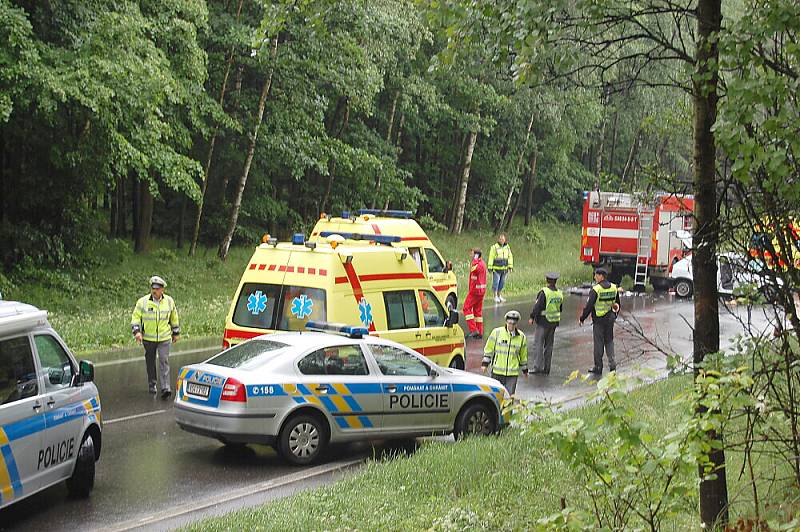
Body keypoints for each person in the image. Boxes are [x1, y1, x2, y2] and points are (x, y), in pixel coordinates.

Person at [131, 275, 180, 398]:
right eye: (153, 288)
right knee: (150, 362)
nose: (154, 291)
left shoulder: (169, 301)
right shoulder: (142, 302)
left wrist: (176, 333)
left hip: (164, 338)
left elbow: (174, 317)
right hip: (148, 338)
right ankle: (152, 384)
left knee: (164, 361)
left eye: (157, 288)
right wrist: (137, 332)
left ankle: (165, 388)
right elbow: (135, 317)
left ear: (162, 289)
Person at [579, 267, 620, 375]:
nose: (594, 277)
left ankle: (598, 366)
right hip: (610, 319)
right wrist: (614, 315)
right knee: (609, 341)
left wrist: (582, 318)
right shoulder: (614, 287)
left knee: (598, 344)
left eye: (596, 275)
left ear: (601, 276)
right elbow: (617, 304)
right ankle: (612, 364)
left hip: (599, 320)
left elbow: (589, 306)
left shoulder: (596, 289)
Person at [481, 310, 528, 394]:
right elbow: (489, 349)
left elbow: (523, 355)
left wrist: (525, 370)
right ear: (506, 322)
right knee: (496, 395)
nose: (511, 326)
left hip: (512, 374)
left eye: (513, 324)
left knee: (509, 397)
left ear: (516, 324)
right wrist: (485, 364)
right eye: (509, 323)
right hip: (497, 372)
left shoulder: (521, 337)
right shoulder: (497, 333)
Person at [528, 272, 564, 374]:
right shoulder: (559, 293)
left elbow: (537, 307)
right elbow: (560, 308)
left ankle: (537, 367)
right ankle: (547, 368)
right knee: (549, 345)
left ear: (547, 280)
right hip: (554, 323)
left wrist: (532, 317)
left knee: (538, 344)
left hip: (543, 322)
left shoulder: (544, 292)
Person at [463, 247, 487, 339]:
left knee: (466, 308)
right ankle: (479, 332)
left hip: (475, 291)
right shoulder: (482, 264)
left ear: (477, 255)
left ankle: (473, 330)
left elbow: (473, 268)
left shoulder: (478, 264)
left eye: (472, 253)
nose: (471, 255)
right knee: (477, 312)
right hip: (480, 291)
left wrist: (475, 260)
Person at [487, 234, 513, 303]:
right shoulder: (494, 247)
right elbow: (491, 257)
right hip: (496, 269)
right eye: (500, 239)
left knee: (502, 283)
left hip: (504, 269)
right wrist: (490, 267)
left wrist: (510, 266)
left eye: (503, 239)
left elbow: (510, 256)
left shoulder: (507, 247)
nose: (502, 241)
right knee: (496, 282)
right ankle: (495, 296)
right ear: (498, 239)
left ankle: (499, 295)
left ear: (505, 240)